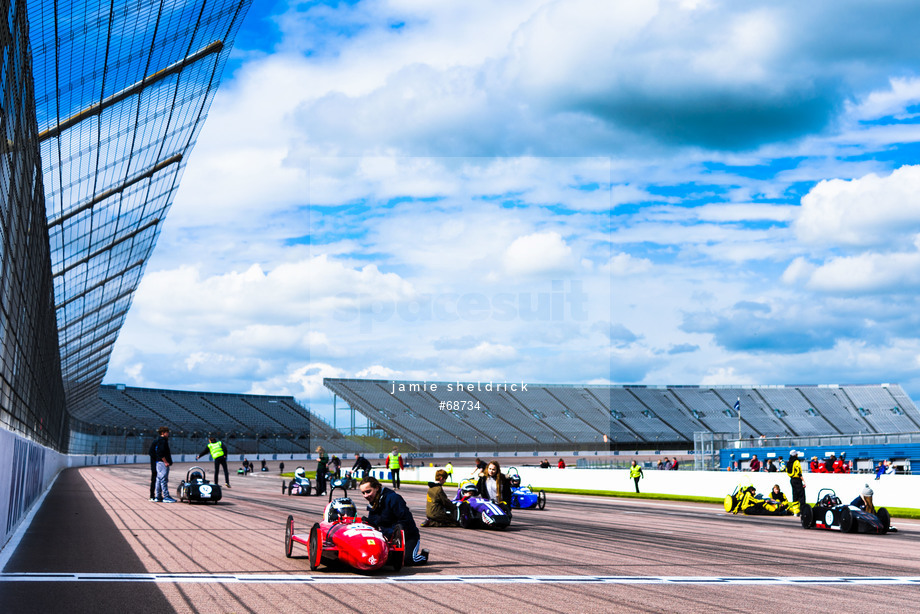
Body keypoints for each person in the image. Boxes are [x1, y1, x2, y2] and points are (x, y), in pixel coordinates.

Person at [359, 476, 428, 565]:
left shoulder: (393, 498)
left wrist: (390, 534)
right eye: (363, 493)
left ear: (376, 488)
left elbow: (406, 521)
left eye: (368, 491)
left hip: (407, 536)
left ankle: (424, 555)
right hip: (386, 537)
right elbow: (374, 524)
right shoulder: (373, 504)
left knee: (407, 560)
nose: (366, 495)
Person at [149, 426, 176, 502]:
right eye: (167, 432)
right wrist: (165, 461)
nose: (168, 434)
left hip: (158, 462)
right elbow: (161, 452)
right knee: (163, 479)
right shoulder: (163, 441)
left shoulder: (157, 440)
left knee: (158, 479)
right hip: (162, 463)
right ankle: (166, 496)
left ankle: (158, 496)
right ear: (163, 433)